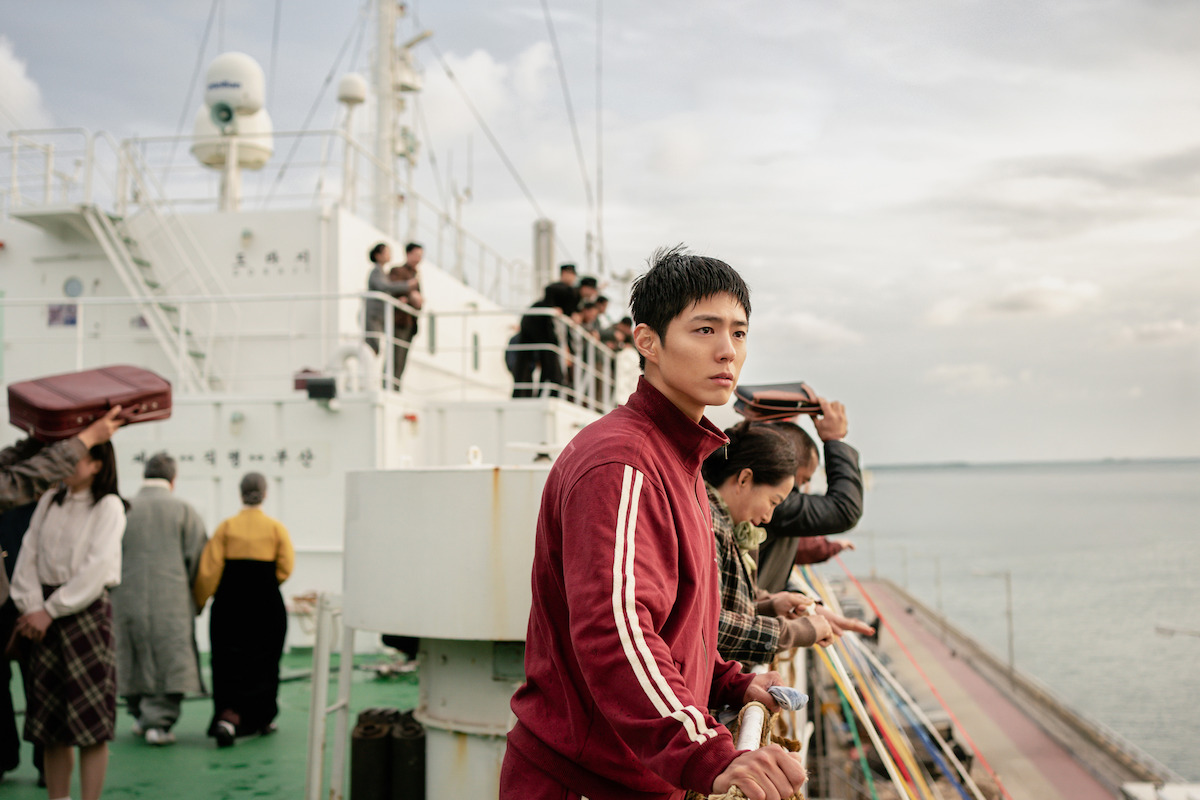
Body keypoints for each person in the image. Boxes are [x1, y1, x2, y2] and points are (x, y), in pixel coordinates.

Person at [502, 246, 807, 800]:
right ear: (648, 342)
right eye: (704, 329)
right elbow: (615, 631)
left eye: (739, 333)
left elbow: (677, 625)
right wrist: (704, 755)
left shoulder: (680, 458)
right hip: (585, 783)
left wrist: (733, 683)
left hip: (634, 778)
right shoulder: (622, 462)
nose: (727, 351)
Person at [0, 409, 123, 782]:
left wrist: (46, 610)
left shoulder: (108, 506)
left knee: (89, 725)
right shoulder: (49, 501)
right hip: (39, 613)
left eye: (77, 454)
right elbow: (28, 555)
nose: (66, 464)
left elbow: (96, 569)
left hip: (77, 614)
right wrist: (34, 607)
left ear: (98, 465)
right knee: (49, 719)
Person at [702, 422, 836, 666]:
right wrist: (797, 632)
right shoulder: (709, 525)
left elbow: (722, 604)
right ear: (744, 479)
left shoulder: (722, 523)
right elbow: (710, 626)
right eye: (773, 501)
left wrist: (772, 604)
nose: (768, 518)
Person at [111, 452, 208, 746]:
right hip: (172, 600)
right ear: (173, 478)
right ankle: (160, 724)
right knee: (169, 658)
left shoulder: (122, 508)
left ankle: (140, 716)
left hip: (126, 597)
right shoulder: (184, 510)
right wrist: (196, 598)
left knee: (132, 653)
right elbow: (199, 560)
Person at [194, 473, 293, 748]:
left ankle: (229, 717)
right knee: (265, 661)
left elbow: (208, 572)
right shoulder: (275, 529)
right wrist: (266, 584)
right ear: (265, 494)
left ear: (240, 494)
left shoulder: (226, 527)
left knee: (228, 662)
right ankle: (262, 718)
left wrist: (200, 601)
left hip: (229, 605)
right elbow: (286, 567)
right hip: (266, 605)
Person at [754, 393, 864, 595]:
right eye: (802, 480)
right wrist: (835, 440)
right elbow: (844, 510)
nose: (802, 488)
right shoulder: (776, 505)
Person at [363, 242, 420, 388]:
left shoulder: (382, 272)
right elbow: (384, 287)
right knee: (372, 347)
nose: (389, 255)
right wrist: (407, 286)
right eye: (386, 252)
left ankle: (372, 382)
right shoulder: (377, 272)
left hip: (381, 317)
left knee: (376, 348)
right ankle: (366, 381)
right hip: (375, 316)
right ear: (378, 255)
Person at [511, 282, 576, 398]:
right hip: (541, 337)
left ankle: (531, 395)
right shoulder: (545, 309)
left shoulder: (541, 307)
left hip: (538, 339)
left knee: (532, 369)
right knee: (552, 373)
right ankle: (543, 396)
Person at [386, 242, 425, 385]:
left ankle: (395, 386)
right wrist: (410, 298)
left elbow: (417, 299)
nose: (419, 258)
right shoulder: (398, 271)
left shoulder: (415, 275)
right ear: (408, 254)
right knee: (395, 356)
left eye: (421, 256)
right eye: (416, 255)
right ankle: (389, 385)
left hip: (410, 323)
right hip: (399, 321)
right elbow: (393, 290)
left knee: (402, 359)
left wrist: (415, 300)